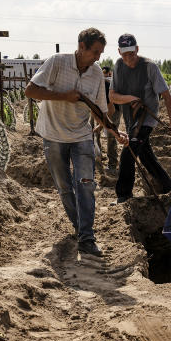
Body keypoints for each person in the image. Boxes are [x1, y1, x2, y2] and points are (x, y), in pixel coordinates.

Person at [25, 27, 128, 257]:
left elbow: (100, 111)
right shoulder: (56, 63)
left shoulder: (96, 73)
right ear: (81, 47)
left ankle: (86, 237)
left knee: (86, 184)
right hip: (53, 135)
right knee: (64, 187)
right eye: (95, 52)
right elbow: (30, 90)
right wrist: (64, 96)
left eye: (101, 53)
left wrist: (116, 132)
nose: (98, 57)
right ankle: (79, 226)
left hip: (82, 136)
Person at [110, 33, 171, 203]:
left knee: (129, 151)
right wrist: (131, 98)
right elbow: (112, 96)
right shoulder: (118, 66)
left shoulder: (149, 67)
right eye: (125, 54)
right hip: (131, 119)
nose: (128, 58)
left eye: (131, 54)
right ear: (119, 52)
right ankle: (170, 186)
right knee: (146, 157)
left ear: (137, 49)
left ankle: (124, 195)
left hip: (147, 119)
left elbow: (166, 95)